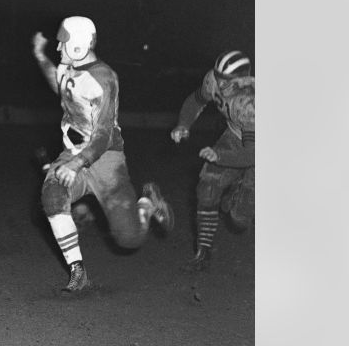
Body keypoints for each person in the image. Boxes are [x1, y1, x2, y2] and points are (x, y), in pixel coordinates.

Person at [31, 16, 173, 294]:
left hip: (106, 160)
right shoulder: (71, 65)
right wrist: (39, 55)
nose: (59, 50)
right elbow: (59, 84)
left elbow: (104, 133)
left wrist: (77, 162)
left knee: (129, 239)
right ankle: (78, 271)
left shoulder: (103, 78)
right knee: (52, 195)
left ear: (79, 45)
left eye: (63, 44)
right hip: (74, 154)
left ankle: (147, 203)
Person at [170, 49, 255, 272]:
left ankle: (238, 188)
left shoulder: (251, 103)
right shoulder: (214, 79)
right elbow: (196, 100)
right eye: (218, 77)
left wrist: (220, 156)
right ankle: (204, 252)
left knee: (239, 219)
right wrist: (183, 124)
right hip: (235, 136)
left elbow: (252, 154)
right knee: (207, 186)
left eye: (228, 81)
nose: (220, 84)